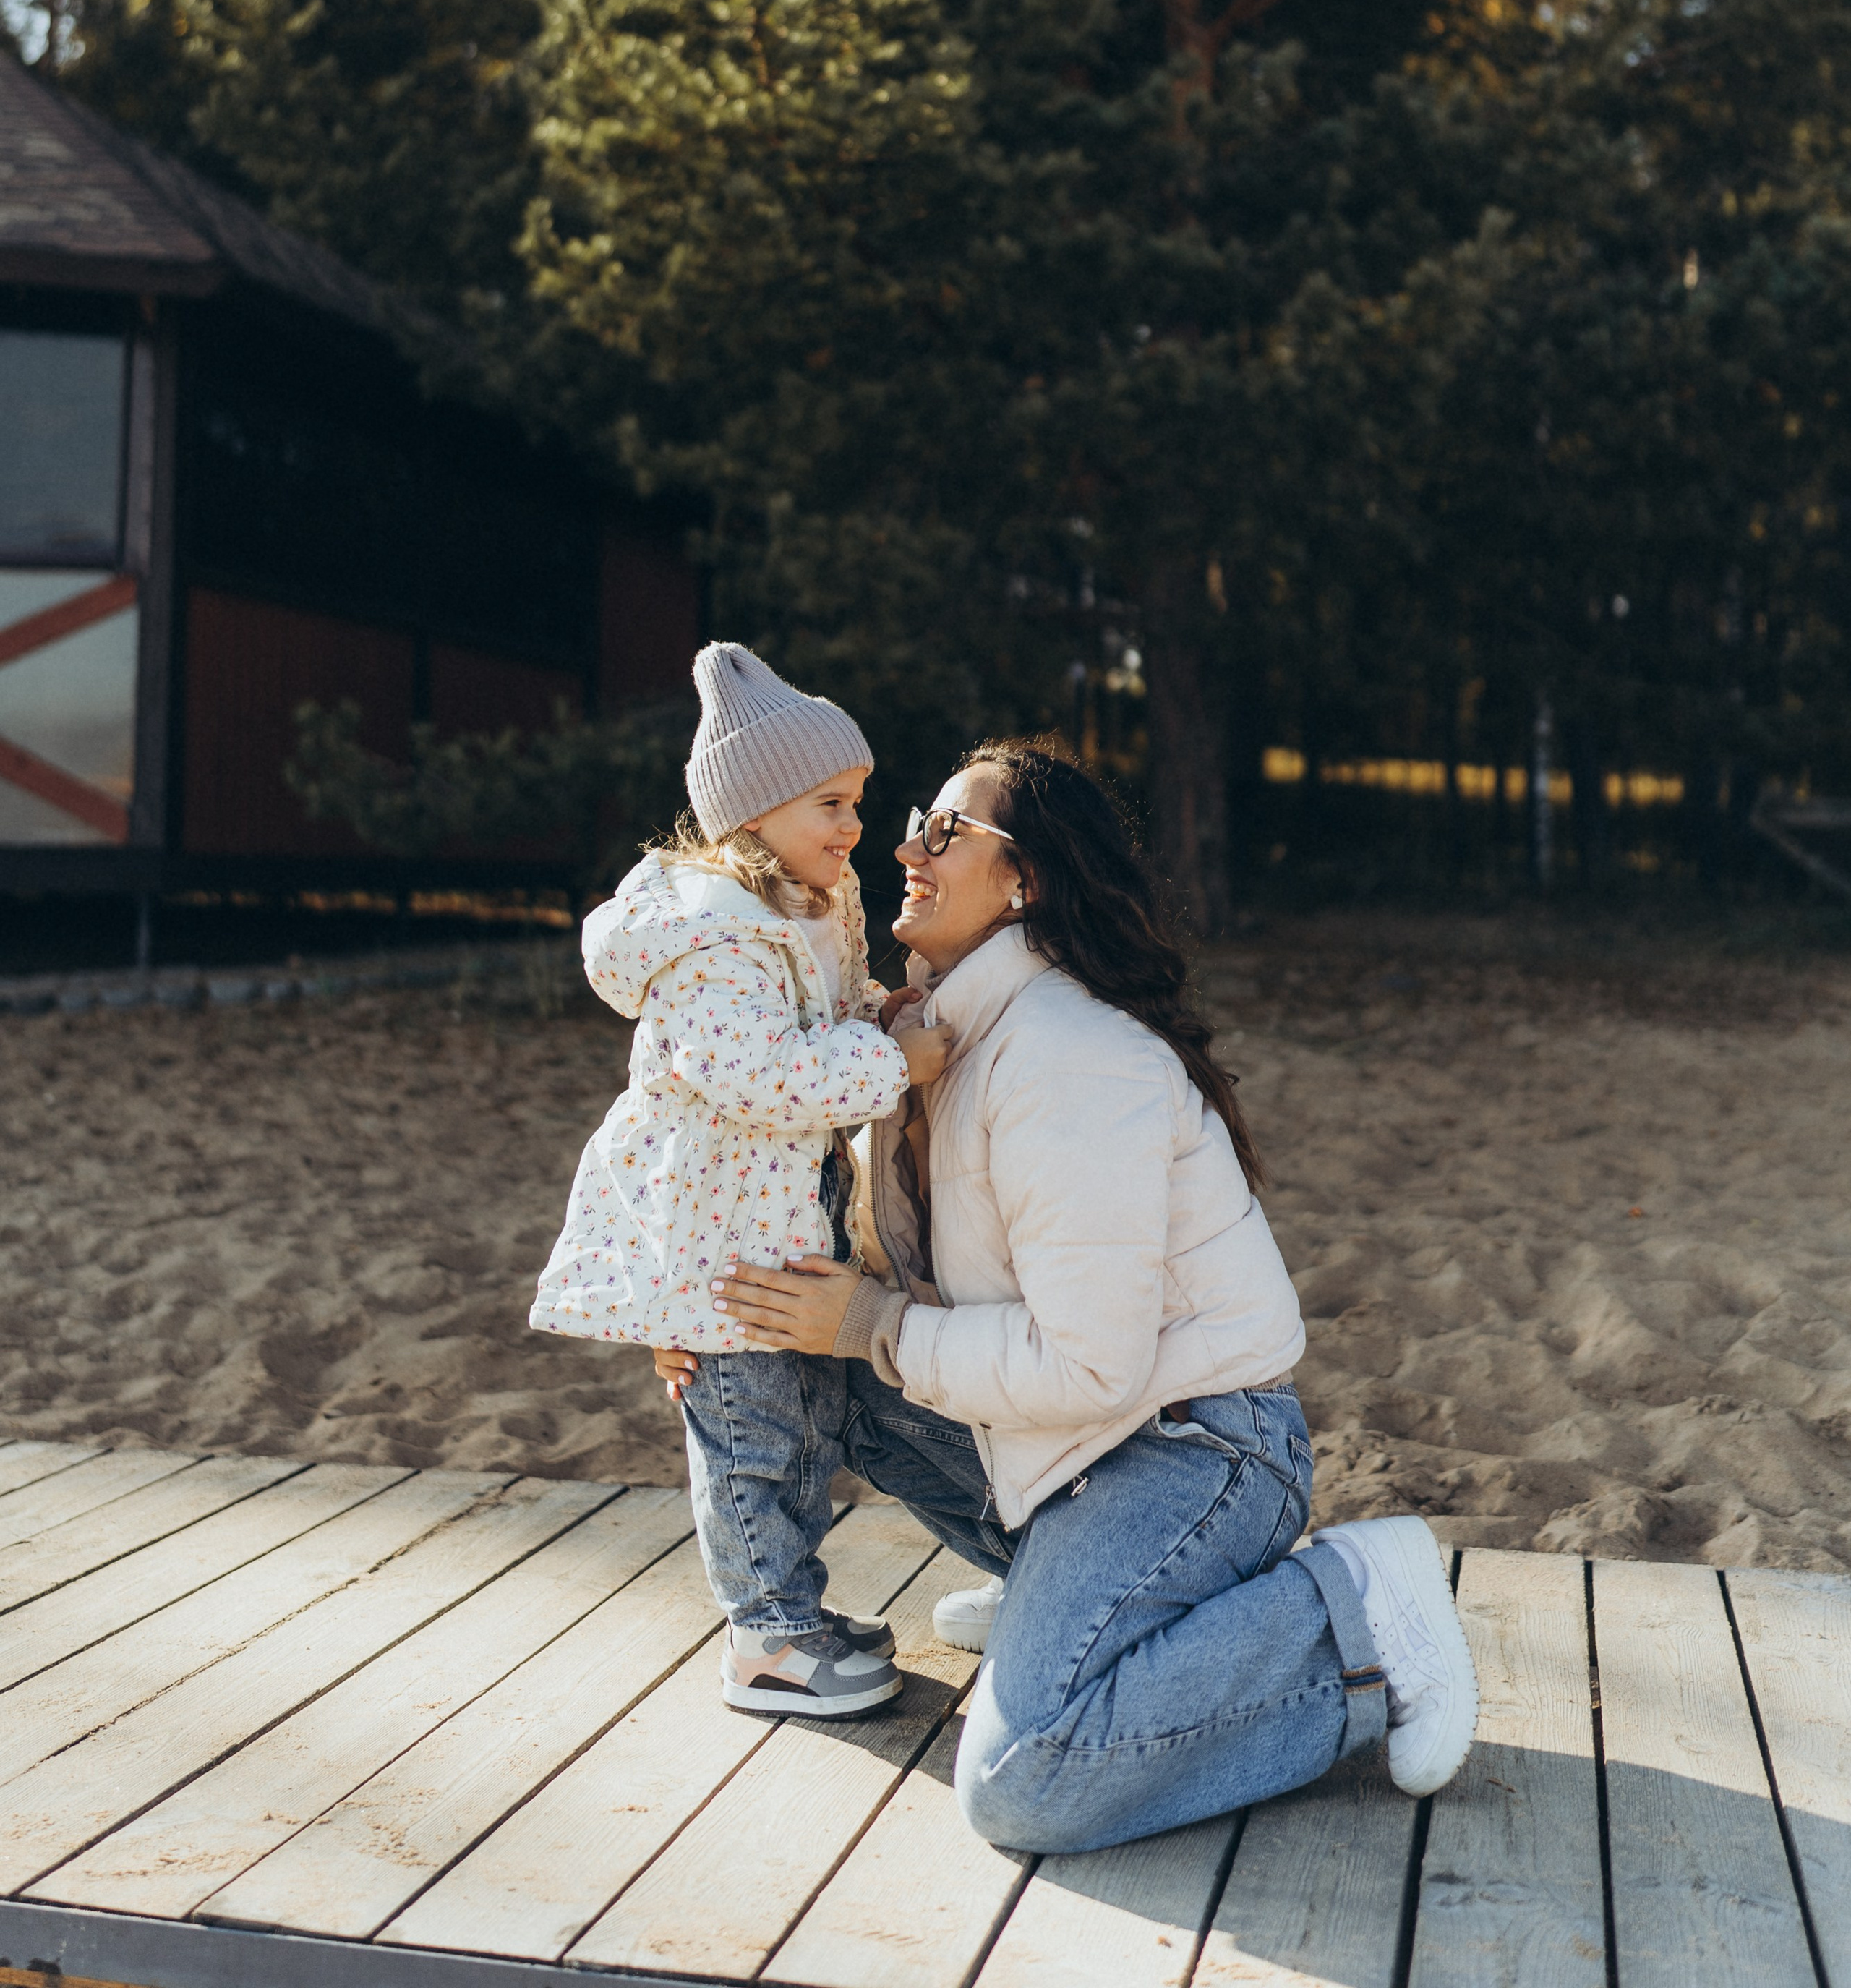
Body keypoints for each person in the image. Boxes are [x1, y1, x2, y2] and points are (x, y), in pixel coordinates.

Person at [691, 741, 1479, 1853]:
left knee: (1024, 1781)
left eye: (947, 833)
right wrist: (703, 1331)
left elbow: (1089, 1365)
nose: (907, 850)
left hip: (1192, 1447)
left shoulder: (1066, 1056)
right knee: (803, 1356)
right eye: (917, 824)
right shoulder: (936, 1038)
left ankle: (1348, 1613)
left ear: (1026, 881)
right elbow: (808, 1229)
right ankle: (1066, 1604)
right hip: (1079, 1443)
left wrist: (870, 1327)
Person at [530, 641, 952, 1720]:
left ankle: (793, 1607)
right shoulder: (713, 933)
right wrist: (889, 1063)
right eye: (830, 803)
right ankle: (765, 1636)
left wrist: (877, 1014)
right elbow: (757, 1074)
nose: (854, 826)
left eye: (858, 801)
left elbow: (822, 1016)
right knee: (751, 1435)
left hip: (781, 1215)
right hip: (719, 1238)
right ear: (753, 812)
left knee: (802, 1420)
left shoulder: (812, 898)